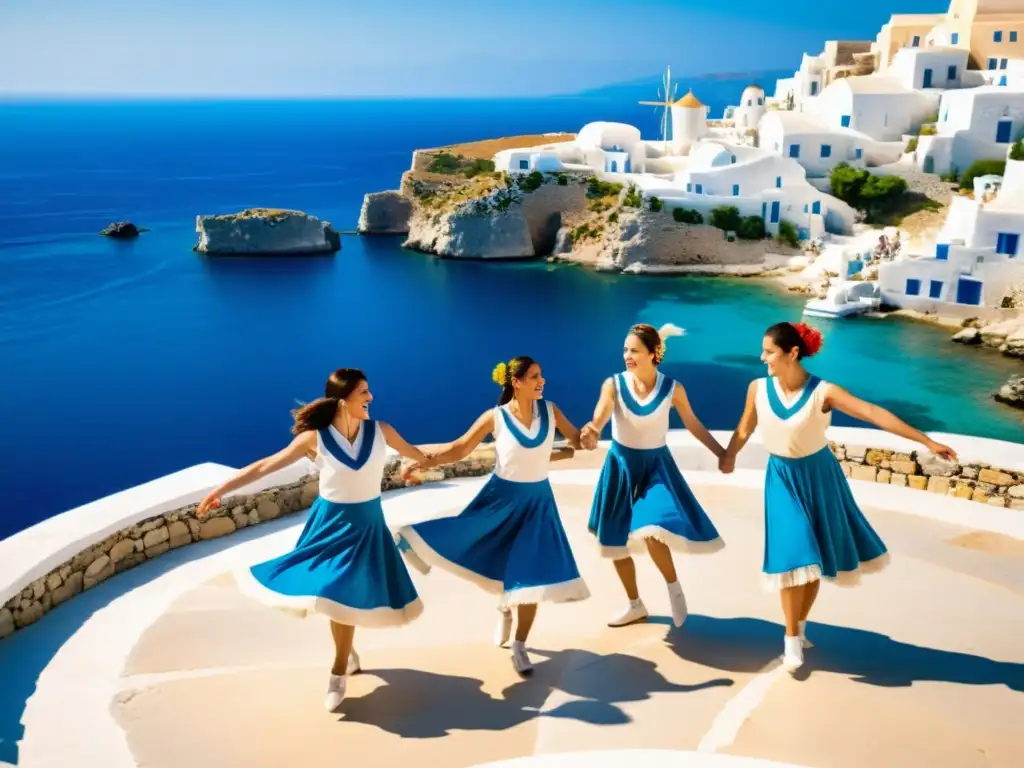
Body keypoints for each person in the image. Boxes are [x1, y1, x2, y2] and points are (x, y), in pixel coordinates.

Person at [718, 322, 957, 673]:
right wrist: (730, 454)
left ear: (792, 353)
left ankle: (799, 628)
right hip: (781, 479)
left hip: (820, 478)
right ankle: (790, 639)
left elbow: (873, 413)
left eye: (769, 351)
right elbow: (744, 428)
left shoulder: (822, 392)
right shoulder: (757, 389)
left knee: (813, 557)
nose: (762, 357)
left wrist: (926, 441)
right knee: (791, 554)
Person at [196, 368, 431, 712]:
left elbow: (415, 452)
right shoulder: (316, 439)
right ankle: (342, 662)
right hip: (331, 524)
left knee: (343, 591)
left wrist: (422, 465)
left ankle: (339, 669)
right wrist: (221, 490)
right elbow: (266, 466)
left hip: (368, 525)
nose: (371, 398)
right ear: (343, 398)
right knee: (333, 589)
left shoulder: (381, 431)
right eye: (363, 392)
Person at [396, 356, 590, 676]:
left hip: (538, 504)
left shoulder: (551, 411)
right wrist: (425, 462)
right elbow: (460, 449)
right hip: (500, 500)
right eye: (535, 377)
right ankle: (502, 605)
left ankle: (519, 645)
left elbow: (575, 440)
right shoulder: (495, 418)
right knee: (487, 553)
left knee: (532, 575)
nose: (542, 381)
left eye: (542, 375)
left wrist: (586, 436)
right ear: (517, 382)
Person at [579, 323, 725, 630]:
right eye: (625, 350)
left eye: (634, 351)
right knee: (614, 541)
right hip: (620, 467)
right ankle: (635, 605)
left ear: (652, 354)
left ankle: (674, 590)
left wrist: (722, 452)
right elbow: (601, 415)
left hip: (656, 469)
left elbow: (694, 425)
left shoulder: (673, 388)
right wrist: (592, 430)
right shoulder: (614, 385)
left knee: (651, 525)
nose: (627, 356)